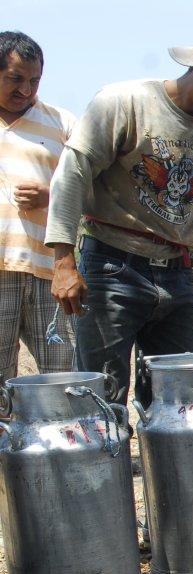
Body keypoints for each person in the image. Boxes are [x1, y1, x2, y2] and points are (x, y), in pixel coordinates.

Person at [45, 30, 193, 405]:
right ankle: (111, 465)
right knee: (103, 397)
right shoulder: (125, 104)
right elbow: (72, 175)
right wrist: (62, 261)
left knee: (178, 399)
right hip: (112, 267)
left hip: (178, 275)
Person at [0, 31, 75, 382]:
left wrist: (52, 195)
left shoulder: (62, 122)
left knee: (65, 376)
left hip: (50, 269)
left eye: (34, 80)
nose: (26, 91)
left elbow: (94, 186)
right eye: (15, 79)